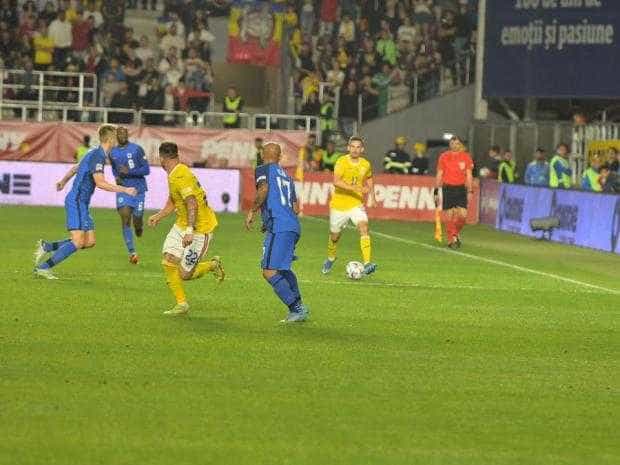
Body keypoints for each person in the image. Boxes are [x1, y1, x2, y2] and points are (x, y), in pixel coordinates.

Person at [33, 125, 137, 279]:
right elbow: (100, 183)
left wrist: (63, 181)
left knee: (89, 241)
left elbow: (76, 167)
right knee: (78, 241)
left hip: (82, 203)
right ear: (110, 139)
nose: (118, 140)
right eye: (116, 137)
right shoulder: (98, 156)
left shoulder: (93, 153)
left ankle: (47, 246)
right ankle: (43, 268)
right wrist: (124, 189)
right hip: (77, 201)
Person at [147, 141, 225, 316]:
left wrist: (190, 231)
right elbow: (174, 200)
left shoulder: (180, 176)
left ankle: (212, 265)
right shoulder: (175, 173)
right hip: (182, 223)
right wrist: (159, 216)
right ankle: (182, 304)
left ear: (161, 158)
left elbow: (192, 203)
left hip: (200, 229)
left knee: (184, 274)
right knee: (168, 258)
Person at [244, 143, 309, 323]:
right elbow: (295, 208)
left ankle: (296, 308)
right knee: (281, 269)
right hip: (292, 226)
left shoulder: (263, 169)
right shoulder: (287, 177)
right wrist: (269, 218)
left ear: (262, 154)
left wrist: (253, 211)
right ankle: (299, 305)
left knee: (269, 271)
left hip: (280, 226)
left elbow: (263, 189)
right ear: (280, 157)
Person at [321, 136, 377, 276]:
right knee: (335, 236)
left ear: (362, 149)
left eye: (358, 147)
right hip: (339, 205)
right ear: (348, 148)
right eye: (353, 146)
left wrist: (372, 196)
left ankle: (367, 263)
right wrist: (357, 188)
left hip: (356, 204)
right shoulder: (341, 161)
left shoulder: (366, 164)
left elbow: (369, 178)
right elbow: (336, 182)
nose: (355, 149)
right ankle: (331, 257)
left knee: (363, 227)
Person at [109, 127, 150, 264]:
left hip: (138, 190)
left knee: (137, 218)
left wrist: (129, 172)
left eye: (125, 133)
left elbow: (146, 170)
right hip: (123, 189)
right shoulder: (112, 152)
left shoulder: (137, 149)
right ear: (116, 135)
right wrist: (117, 178)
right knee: (125, 216)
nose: (122, 135)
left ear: (128, 135)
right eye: (120, 133)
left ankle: (138, 228)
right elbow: (115, 169)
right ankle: (132, 252)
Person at [435, 135, 474, 249]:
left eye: (457, 143)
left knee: (463, 216)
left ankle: (454, 234)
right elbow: (439, 174)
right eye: (452, 143)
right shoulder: (444, 156)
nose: (454, 145)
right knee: (450, 215)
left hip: (461, 188)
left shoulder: (466, 157)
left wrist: (470, 190)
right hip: (448, 188)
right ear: (449, 145)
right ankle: (451, 240)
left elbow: (469, 175)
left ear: (460, 145)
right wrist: (436, 190)